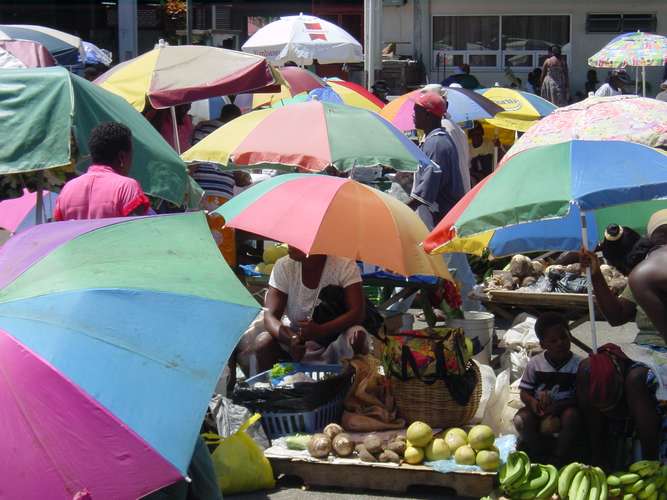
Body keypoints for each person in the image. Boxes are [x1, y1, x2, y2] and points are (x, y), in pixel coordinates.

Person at [236, 247, 369, 373]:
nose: (289, 244)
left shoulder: (344, 266)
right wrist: (291, 339)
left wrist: (321, 330)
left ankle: (347, 388)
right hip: (296, 338)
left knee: (357, 336)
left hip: (335, 337)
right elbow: (270, 317)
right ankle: (266, 393)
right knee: (263, 342)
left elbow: (357, 313)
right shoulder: (284, 266)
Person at [410, 92, 480, 311]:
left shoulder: (437, 143)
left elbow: (427, 189)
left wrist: (402, 208)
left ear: (429, 115)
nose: (414, 116)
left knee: (458, 275)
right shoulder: (435, 139)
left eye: (417, 112)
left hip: (442, 221)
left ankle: (478, 319)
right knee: (456, 273)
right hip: (444, 219)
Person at [514, 313, 582, 465]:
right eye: (553, 341)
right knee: (521, 420)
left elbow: (581, 397)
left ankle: (558, 457)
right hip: (540, 409)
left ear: (570, 336)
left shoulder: (578, 365)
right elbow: (524, 392)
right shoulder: (535, 364)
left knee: (572, 416)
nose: (560, 343)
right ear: (543, 344)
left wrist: (558, 406)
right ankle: (536, 453)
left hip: (564, 409)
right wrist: (532, 402)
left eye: (564, 337)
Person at [190, 103, 249, 265]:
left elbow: (194, 158)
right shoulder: (233, 133)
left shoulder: (202, 128)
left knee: (201, 242)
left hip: (199, 192)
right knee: (222, 244)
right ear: (235, 119)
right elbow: (236, 171)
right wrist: (243, 177)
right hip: (221, 194)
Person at [54, 122, 150, 221]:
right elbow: (138, 231)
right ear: (122, 157)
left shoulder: (67, 189)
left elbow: (59, 230)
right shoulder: (127, 187)